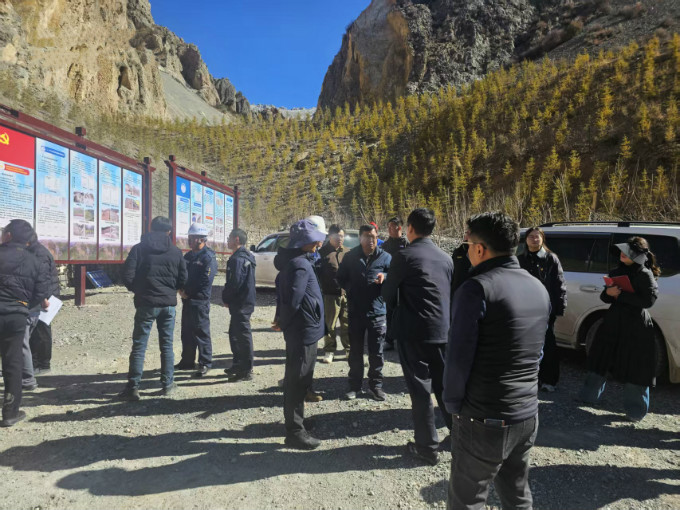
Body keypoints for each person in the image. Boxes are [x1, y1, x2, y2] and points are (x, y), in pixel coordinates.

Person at [443, 212, 550, 510]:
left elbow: (458, 358)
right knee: (517, 494)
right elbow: (538, 352)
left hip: (484, 416)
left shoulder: (477, 288)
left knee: (467, 500)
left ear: (480, 249)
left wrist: (452, 405)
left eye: (468, 245)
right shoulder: (537, 287)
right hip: (526, 413)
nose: (466, 251)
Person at [382, 208, 453, 466]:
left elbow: (388, 295)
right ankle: (459, 437)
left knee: (421, 390)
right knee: (444, 387)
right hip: (442, 331)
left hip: (413, 333)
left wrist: (386, 286)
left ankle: (426, 447)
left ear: (410, 228)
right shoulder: (446, 258)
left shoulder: (404, 256)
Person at [578, 237, 660, 422]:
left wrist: (620, 295)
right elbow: (606, 297)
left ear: (638, 255)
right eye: (622, 251)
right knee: (600, 358)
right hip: (613, 321)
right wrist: (608, 293)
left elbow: (648, 301)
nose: (623, 254)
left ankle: (635, 410)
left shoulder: (645, 274)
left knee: (636, 367)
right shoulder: (616, 271)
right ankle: (588, 397)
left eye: (628, 251)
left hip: (636, 325)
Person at [120, 216, 187, 401]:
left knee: (139, 345)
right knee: (167, 345)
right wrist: (171, 290)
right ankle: (168, 384)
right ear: (169, 231)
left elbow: (127, 275)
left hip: (146, 303)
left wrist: (139, 290)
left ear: (151, 228)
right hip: (168, 305)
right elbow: (183, 278)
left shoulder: (139, 249)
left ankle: (133, 387)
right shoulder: (176, 252)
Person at [275, 219, 327, 449]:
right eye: (314, 240)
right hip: (302, 331)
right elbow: (293, 299)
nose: (317, 244)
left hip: (305, 330)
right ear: (303, 242)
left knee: (301, 378)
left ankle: (299, 422)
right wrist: (283, 322)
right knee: (297, 381)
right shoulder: (299, 264)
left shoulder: (299, 261)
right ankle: (294, 432)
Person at [0, 219, 50, 427]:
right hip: (17, 315)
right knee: (13, 361)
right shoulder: (35, 261)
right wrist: (24, 305)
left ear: (9, 235)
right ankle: (10, 412)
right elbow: (41, 291)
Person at [337, 224, 392, 401]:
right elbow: (340, 278)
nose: (371, 240)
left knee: (376, 352)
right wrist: (351, 289)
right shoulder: (350, 256)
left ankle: (376, 386)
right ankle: (354, 386)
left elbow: (394, 276)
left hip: (377, 311)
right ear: (360, 238)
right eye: (367, 236)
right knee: (355, 351)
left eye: (374, 236)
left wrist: (385, 277)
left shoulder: (385, 257)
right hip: (356, 311)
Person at [517, 227, 567, 392]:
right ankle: (530, 379)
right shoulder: (520, 259)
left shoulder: (551, 258)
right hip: (524, 308)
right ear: (526, 240)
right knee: (525, 344)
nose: (534, 239)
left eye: (537, 236)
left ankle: (549, 380)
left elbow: (559, 284)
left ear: (542, 239)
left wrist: (559, 307)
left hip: (545, 308)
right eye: (531, 236)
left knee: (547, 344)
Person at [176, 223, 218, 378]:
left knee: (201, 332)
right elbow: (180, 274)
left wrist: (188, 292)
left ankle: (205, 363)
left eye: (192, 238)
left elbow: (205, 281)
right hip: (187, 300)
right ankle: (187, 361)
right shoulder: (188, 256)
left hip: (199, 301)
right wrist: (180, 289)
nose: (189, 240)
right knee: (186, 332)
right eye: (189, 237)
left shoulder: (208, 257)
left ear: (201, 239)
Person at [222, 228, 257, 382]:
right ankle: (238, 364)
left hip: (241, 302)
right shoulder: (247, 256)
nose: (227, 241)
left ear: (236, 239)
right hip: (244, 301)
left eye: (229, 238)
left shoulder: (238, 259)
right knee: (234, 334)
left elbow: (234, 282)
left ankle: (246, 370)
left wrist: (226, 298)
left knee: (242, 336)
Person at [27, 233, 60, 376]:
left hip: (45, 299)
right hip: (41, 297)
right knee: (36, 331)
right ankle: (34, 363)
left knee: (41, 331)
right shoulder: (35, 251)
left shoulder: (39, 254)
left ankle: (42, 364)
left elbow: (43, 279)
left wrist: (43, 298)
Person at [318, 224, 349, 364]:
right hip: (329, 295)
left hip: (346, 295)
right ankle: (329, 351)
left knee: (347, 324)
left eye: (342, 236)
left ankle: (349, 350)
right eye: (337, 236)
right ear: (330, 236)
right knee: (330, 325)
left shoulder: (348, 252)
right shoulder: (322, 253)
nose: (340, 239)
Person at [381, 216, 409, 351]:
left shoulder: (407, 244)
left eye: (392, 227)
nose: (389, 229)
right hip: (390, 282)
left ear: (399, 227)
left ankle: (404, 340)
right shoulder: (385, 245)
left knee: (404, 312)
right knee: (389, 312)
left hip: (405, 284)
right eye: (388, 227)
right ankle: (389, 340)